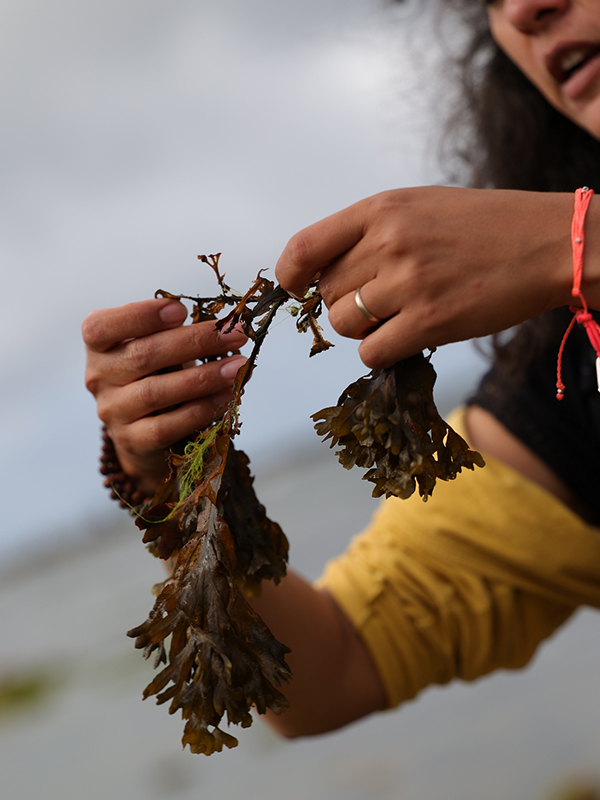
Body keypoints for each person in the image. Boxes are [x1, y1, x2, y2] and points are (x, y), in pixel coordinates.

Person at [83, 0, 600, 739]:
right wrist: (173, 482)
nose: (523, 8)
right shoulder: (572, 377)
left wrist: (576, 240)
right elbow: (337, 666)